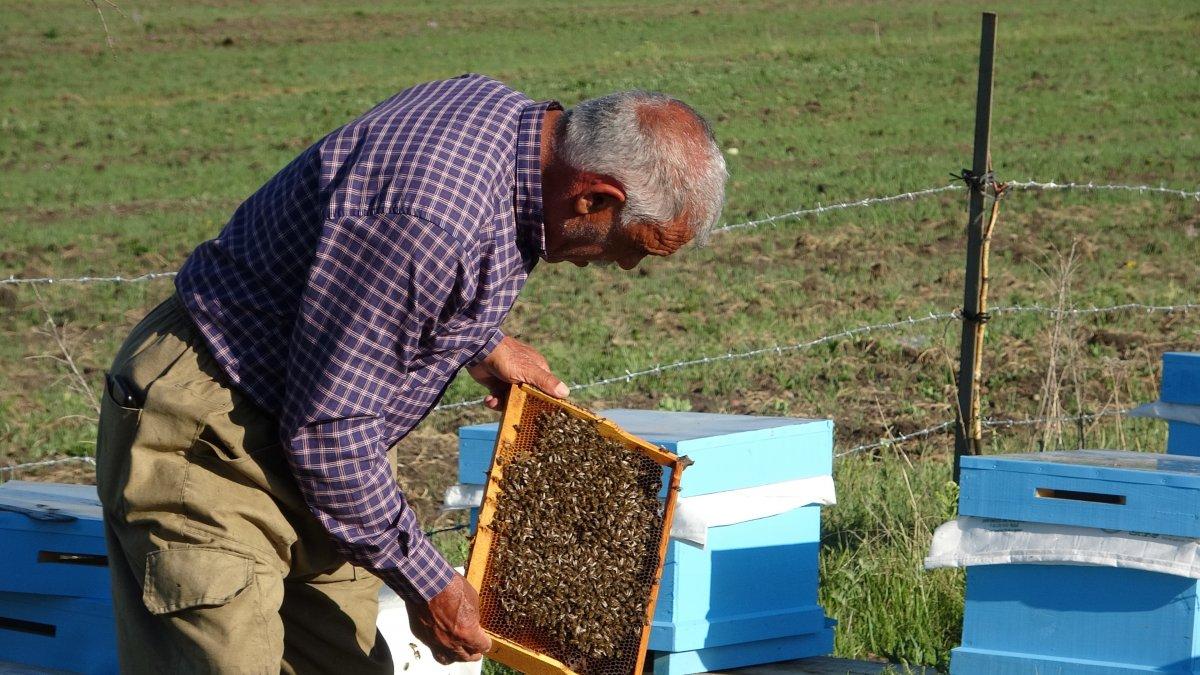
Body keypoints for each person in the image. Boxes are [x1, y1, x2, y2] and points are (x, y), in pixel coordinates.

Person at [95, 73, 727, 673]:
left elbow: (369, 292)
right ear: (592, 197)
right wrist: (432, 587)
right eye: (635, 245)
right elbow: (329, 435)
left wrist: (482, 340)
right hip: (215, 437)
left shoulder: (503, 123)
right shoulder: (429, 221)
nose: (622, 266)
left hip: (312, 420)